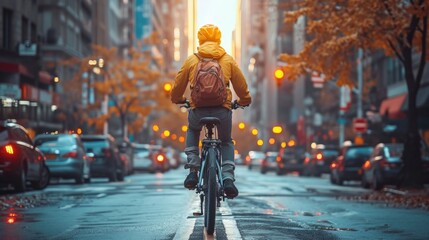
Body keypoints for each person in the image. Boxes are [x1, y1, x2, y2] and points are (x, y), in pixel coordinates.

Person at [170, 24, 252, 198]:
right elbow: (241, 86)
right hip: (222, 111)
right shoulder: (227, 59)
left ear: (200, 40)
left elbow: (178, 85)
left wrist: (177, 99)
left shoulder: (192, 60)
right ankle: (228, 177)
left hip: (198, 110)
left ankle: (193, 170)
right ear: (218, 40)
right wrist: (244, 101)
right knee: (226, 141)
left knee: (192, 130)